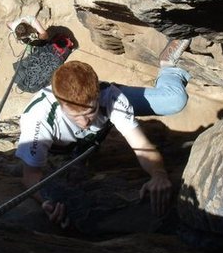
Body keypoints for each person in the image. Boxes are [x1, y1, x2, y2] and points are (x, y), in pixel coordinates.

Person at [16, 39, 191, 227]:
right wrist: (46, 202)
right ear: (60, 103)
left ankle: (168, 66)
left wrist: (158, 174)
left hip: (94, 133)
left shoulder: (111, 97)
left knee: (175, 100)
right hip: (67, 152)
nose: (84, 122)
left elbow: (141, 147)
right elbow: (30, 176)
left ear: (98, 95)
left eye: (90, 112)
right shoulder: (38, 119)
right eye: (76, 116)